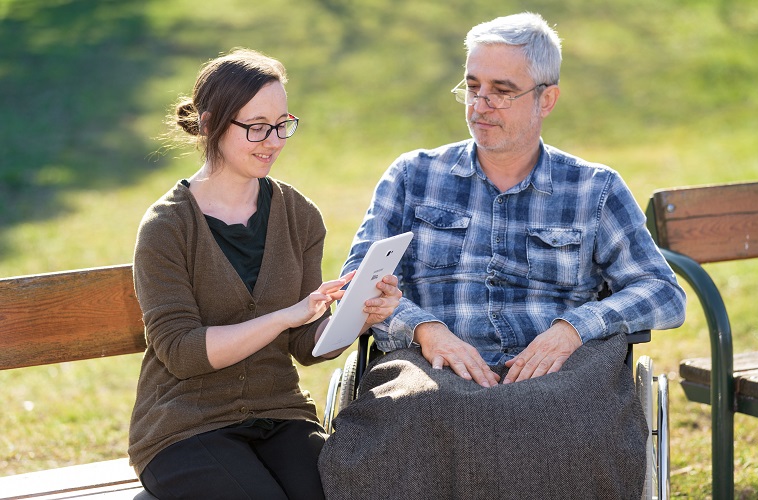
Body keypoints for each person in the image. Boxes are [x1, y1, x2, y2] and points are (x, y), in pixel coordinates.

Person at [318, 12, 686, 499]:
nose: (480, 104)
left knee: (562, 423)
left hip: (556, 375)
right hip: (432, 369)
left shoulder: (594, 189)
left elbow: (663, 294)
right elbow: (357, 285)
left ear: (546, 99)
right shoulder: (412, 176)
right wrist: (424, 330)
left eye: (502, 90)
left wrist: (574, 328)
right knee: (419, 410)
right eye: (472, 86)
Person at [127, 48, 401, 500]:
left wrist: (358, 317)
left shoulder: (300, 216)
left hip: (281, 413)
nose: (272, 140)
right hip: (185, 426)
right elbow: (181, 352)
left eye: (281, 125)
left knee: (346, 489)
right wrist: (282, 317)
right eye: (256, 127)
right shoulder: (167, 227)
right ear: (212, 124)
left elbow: (305, 346)